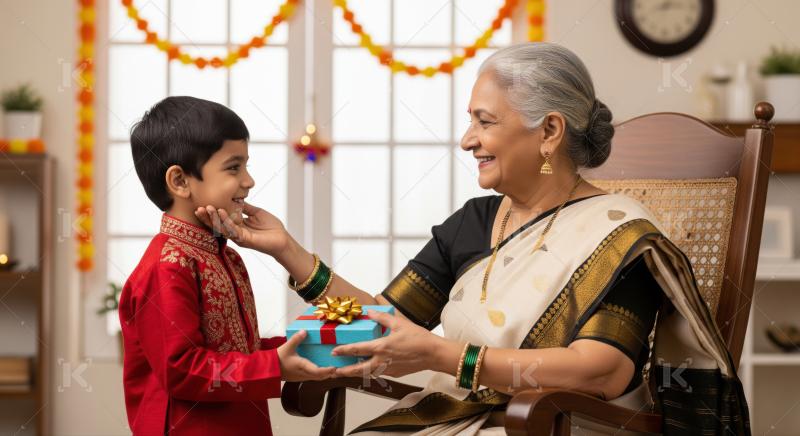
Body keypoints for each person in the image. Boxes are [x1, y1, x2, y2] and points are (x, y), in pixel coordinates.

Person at [198, 43, 750, 435]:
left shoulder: (620, 238)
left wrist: (446, 355)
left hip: (559, 425)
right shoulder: (475, 221)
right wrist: (290, 253)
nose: (467, 140)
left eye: (484, 122)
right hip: (460, 417)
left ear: (549, 132)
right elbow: (380, 324)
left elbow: (602, 371)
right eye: (471, 122)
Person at [118, 96, 335, 436]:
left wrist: (304, 346)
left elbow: (237, 351)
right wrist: (275, 365)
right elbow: (183, 370)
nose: (248, 180)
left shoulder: (226, 256)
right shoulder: (166, 267)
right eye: (234, 167)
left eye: (246, 165)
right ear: (180, 181)